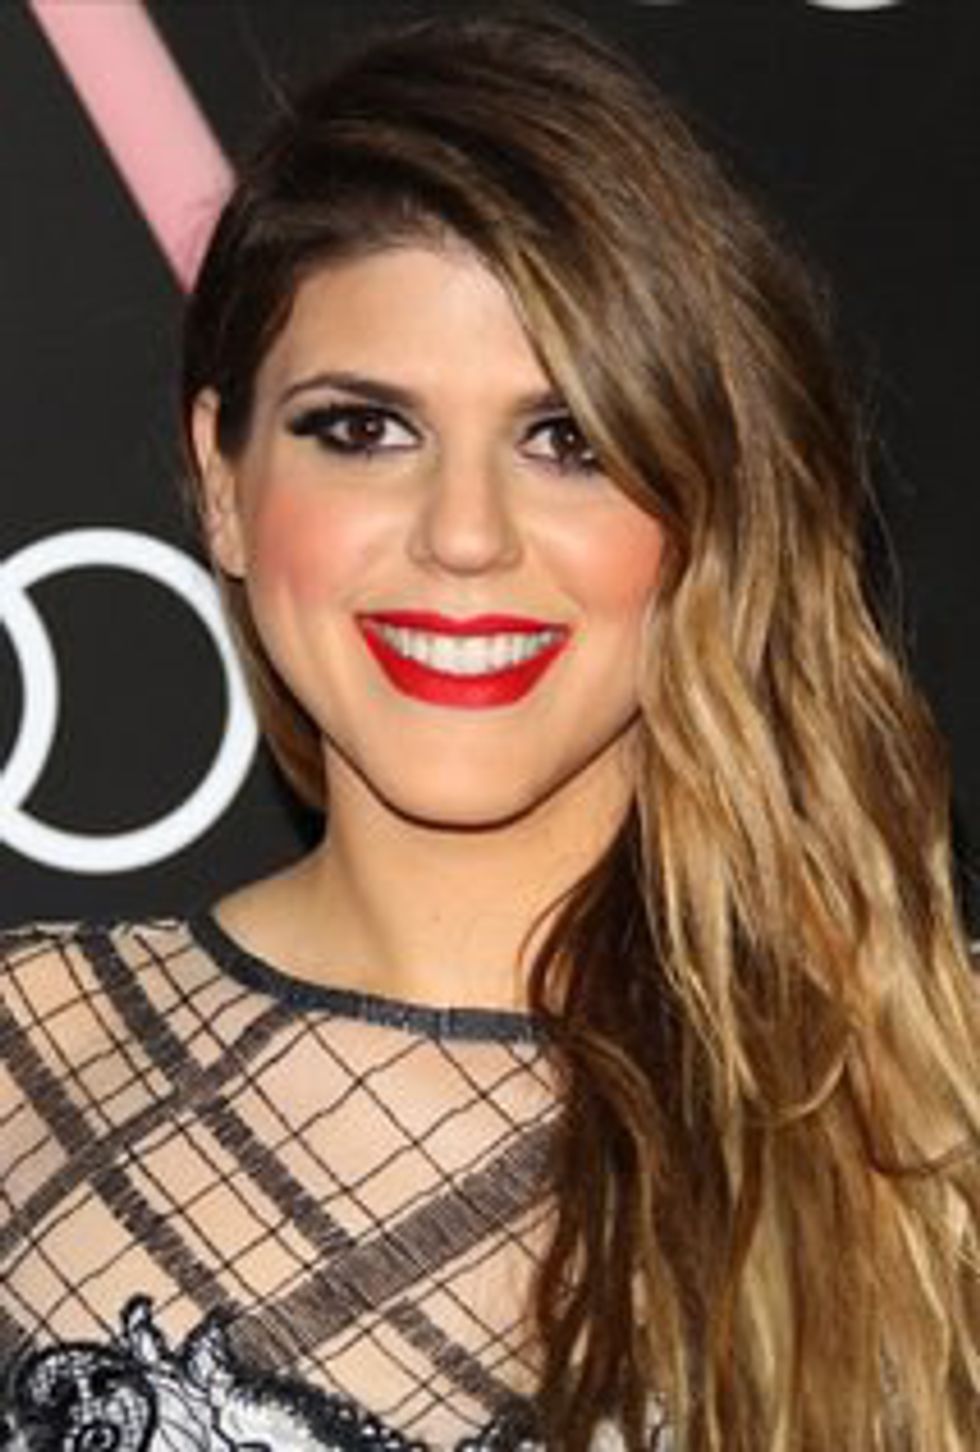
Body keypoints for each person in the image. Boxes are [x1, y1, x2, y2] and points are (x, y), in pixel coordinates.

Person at [1, 8, 977, 1450]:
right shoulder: (24, 1061)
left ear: (706, 507)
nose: (465, 535)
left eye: (567, 440)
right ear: (222, 482)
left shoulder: (938, 1105)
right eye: (364, 429)